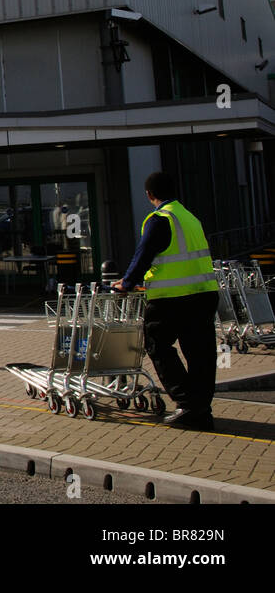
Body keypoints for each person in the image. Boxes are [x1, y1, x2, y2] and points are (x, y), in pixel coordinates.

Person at [111, 171, 220, 430]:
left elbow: (144, 254)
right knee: (200, 353)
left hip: (171, 298)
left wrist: (126, 283)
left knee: (157, 345)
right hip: (204, 293)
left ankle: (187, 402)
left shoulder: (161, 218)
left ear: (150, 195)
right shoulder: (190, 217)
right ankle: (201, 410)